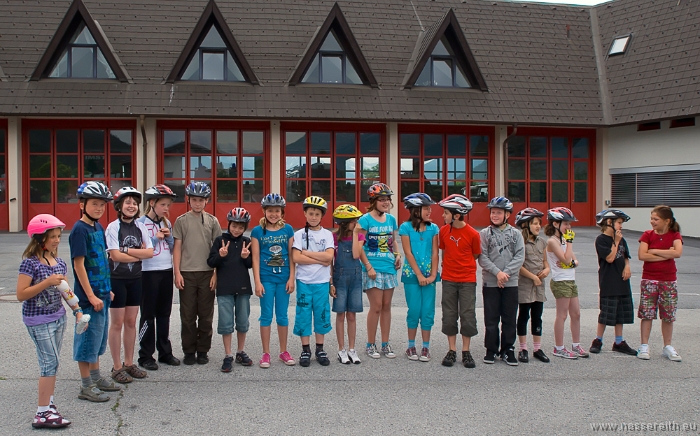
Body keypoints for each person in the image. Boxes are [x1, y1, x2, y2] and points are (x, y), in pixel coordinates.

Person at [18, 215, 77, 428]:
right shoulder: (30, 264)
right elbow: (21, 294)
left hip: (58, 318)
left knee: (53, 362)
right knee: (48, 364)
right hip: (38, 320)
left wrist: (77, 310)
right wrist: (47, 282)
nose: (57, 240)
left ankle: (48, 403)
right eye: (52, 236)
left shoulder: (59, 262)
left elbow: (66, 292)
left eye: (58, 236)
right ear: (39, 239)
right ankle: (42, 414)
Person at [69, 181, 122, 402]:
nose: (99, 208)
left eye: (102, 204)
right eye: (94, 204)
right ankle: (86, 386)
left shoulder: (98, 227)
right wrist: (90, 295)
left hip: (102, 293)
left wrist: (107, 290)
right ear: (82, 204)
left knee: (98, 340)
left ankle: (96, 377)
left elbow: (102, 260)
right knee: (87, 342)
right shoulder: (79, 230)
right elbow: (79, 265)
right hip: (88, 298)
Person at [105, 187, 153, 384]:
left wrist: (126, 250)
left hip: (136, 278)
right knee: (117, 323)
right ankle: (116, 367)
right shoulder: (113, 227)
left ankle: (129, 363)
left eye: (134, 203)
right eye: (127, 203)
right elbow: (114, 255)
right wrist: (135, 252)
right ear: (119, 206)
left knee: (131, 322)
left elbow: (150, 252)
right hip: (117, 279)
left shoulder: (140, 227)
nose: (131, 206)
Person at [172, 181, 222, 366]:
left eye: (201, 200)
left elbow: (217, 249)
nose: (198, 203)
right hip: (187, 272)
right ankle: (189, 350)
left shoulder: (212, 221)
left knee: (206, 314)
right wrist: (177, 272)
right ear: (188, 200)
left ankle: (203, 350)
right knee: (187, 314)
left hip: (207, 272)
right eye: (194, 200)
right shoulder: (181, 221)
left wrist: (216, 273)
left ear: (206, 201)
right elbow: (177, 247)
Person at [136, 184, 180, 370]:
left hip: (166, 270)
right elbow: (139, 249)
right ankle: (145, 355)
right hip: (148, 271)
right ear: (152, 203)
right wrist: (155, 239)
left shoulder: (166, 223)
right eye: (163, 205)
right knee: (148, 314)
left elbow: (171, 248)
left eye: (168, 205)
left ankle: (165, 352)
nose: (166, 209)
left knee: (164, 313)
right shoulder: (139, 223)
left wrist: (169, 238)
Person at [355, 182, 401, 359]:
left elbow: (393, 240)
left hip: (389, 267)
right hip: (372, 268)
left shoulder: (391, 219)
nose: (386, 202)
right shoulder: (364, 220)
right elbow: (359, 247)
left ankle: (385, 344)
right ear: (373, 201)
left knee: (387, 306)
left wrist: (397, 255)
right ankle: (370, 344)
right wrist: (368, 266)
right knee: (376, 307)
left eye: (388, 199)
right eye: (382, 199)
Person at [251, 193, 296, 368]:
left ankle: (284, 351)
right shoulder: (257, 231)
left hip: (283, 278)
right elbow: (255, 258)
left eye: (277, 211)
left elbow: (292, 256)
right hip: (266, 279)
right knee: (266, 316)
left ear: (282, 212)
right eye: (270, 211)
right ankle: (266, 353)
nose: (273, 214)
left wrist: (292, 278)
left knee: (283, 316)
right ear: (264, 211)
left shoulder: (288, 230)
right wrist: (257, 282)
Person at [479, 196, 525, 366]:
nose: (495, 215)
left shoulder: (516, 234)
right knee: (491, 318)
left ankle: (508, 349)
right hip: (491, 282)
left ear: (507, 215)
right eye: (493, 212)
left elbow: (520, 256)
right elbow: (482, 257)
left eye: (499, 212)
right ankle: (491, 349)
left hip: (510, 283)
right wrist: (497, 273)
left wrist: (505, 274)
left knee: (509, 317)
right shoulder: (485, 234)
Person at [208, 208, 254, 372]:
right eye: (234, 226)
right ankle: (228, 355)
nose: (237, 230)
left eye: (241, 227)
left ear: (244, 228)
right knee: (226, 323)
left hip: (243, 288)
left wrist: (245, 257)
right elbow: (211, 262)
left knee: (242, 322)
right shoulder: (220, 240)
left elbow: (251, 264)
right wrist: (221, 255)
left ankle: (240, 351)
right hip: (225, 288)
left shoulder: (246, 242)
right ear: (229, 224)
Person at [437, 194, 480, 368]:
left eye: (445, 213)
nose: (442, 216)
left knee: (467, 315)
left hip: (467, 280)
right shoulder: (443, 231)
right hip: (448, 279)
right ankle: (452, 349)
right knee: (449, 315)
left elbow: (476, 254)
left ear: (456, 215)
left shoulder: (473, 234)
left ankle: (466, 351)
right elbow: (444, 251)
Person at [292, 196, 335, 366]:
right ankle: (305, 349)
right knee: (303, 315)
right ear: (305, 214)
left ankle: (319, 348)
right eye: (310, 213)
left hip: (322, 282)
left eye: (317, 214)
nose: (314, 217)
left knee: (321, 314)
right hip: (304, 281)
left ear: (322, 215)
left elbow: (329, 257)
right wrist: (320, 259)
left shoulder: (327, 235)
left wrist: (307, 253)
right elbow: (296, 257)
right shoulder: (299, 234)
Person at [637, 205, 683, 362]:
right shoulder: (647, 235)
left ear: (667, 221)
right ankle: (644, 345)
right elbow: (642, 255)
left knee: (668, 314)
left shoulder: (675, 235)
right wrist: (666, 254)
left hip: (669, 280)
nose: (652, 222)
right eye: (651, 218)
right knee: (647, 313)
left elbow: (677, 252)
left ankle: (667, 346)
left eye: (656, 219)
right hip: (649, 279)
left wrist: (654, 251)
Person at [589, 209, 637, 356]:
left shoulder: (622, 240)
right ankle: (598, 340)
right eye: (619, 223)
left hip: (622, 282)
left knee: (620, 314)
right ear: (609, 222)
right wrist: (615, 242)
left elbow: (625, 256)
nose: (621, 226)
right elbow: (610, 258)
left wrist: (627, 267)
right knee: (606, 313)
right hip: (609, 282)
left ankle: (619, 342)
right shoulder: (601, 240)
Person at [400, 193, 440, 362]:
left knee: (427, 312)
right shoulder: (405, 227)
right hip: (411, 276)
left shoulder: (434, 228)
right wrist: (418, 274)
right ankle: (411, 346)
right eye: (426, 208)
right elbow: (407, 253)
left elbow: (435, 252)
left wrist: (432, 275)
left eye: (429, 208)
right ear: (415, 210)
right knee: (414, 310)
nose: (429, 211)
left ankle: (426, 347)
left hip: (430, 277)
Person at [545, 207, 588, 359]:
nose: (569, 227)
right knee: (562, 315)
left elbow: (574, 261)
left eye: (570, 225)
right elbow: (566, 259)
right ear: (556, 224)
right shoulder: (552, 241)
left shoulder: (563, 239)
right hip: (560, 281)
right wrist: (569, 244)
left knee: (576, 313)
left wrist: (571, 262)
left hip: (570, 279)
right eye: (566, 224)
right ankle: (559, 347)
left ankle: (576, 345)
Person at [330, 204, 365, 364]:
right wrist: (331, 282)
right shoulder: (332, 237)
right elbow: (331, 262)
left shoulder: (360, 235)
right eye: (354, 221)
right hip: (339, 278)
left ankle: (352, 349)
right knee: (340, 314)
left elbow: (356, 255)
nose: (357, 223)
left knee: (352, 315)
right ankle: (341, 349)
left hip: (356, 278)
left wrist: (357, 233)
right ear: (344, 222)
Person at [514, 208, 550, 363]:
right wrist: (533, 277)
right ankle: (523, 348)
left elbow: (545, 262)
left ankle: (537, 348)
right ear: (525, 225)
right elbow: (518, 266)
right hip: (525, 286)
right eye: (534, 223)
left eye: (539, 224)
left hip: (539, 286)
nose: (538, 226)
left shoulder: (542, 242)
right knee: (523, 316)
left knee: (537, 317)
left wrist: (547, 270)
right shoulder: (520, 242)